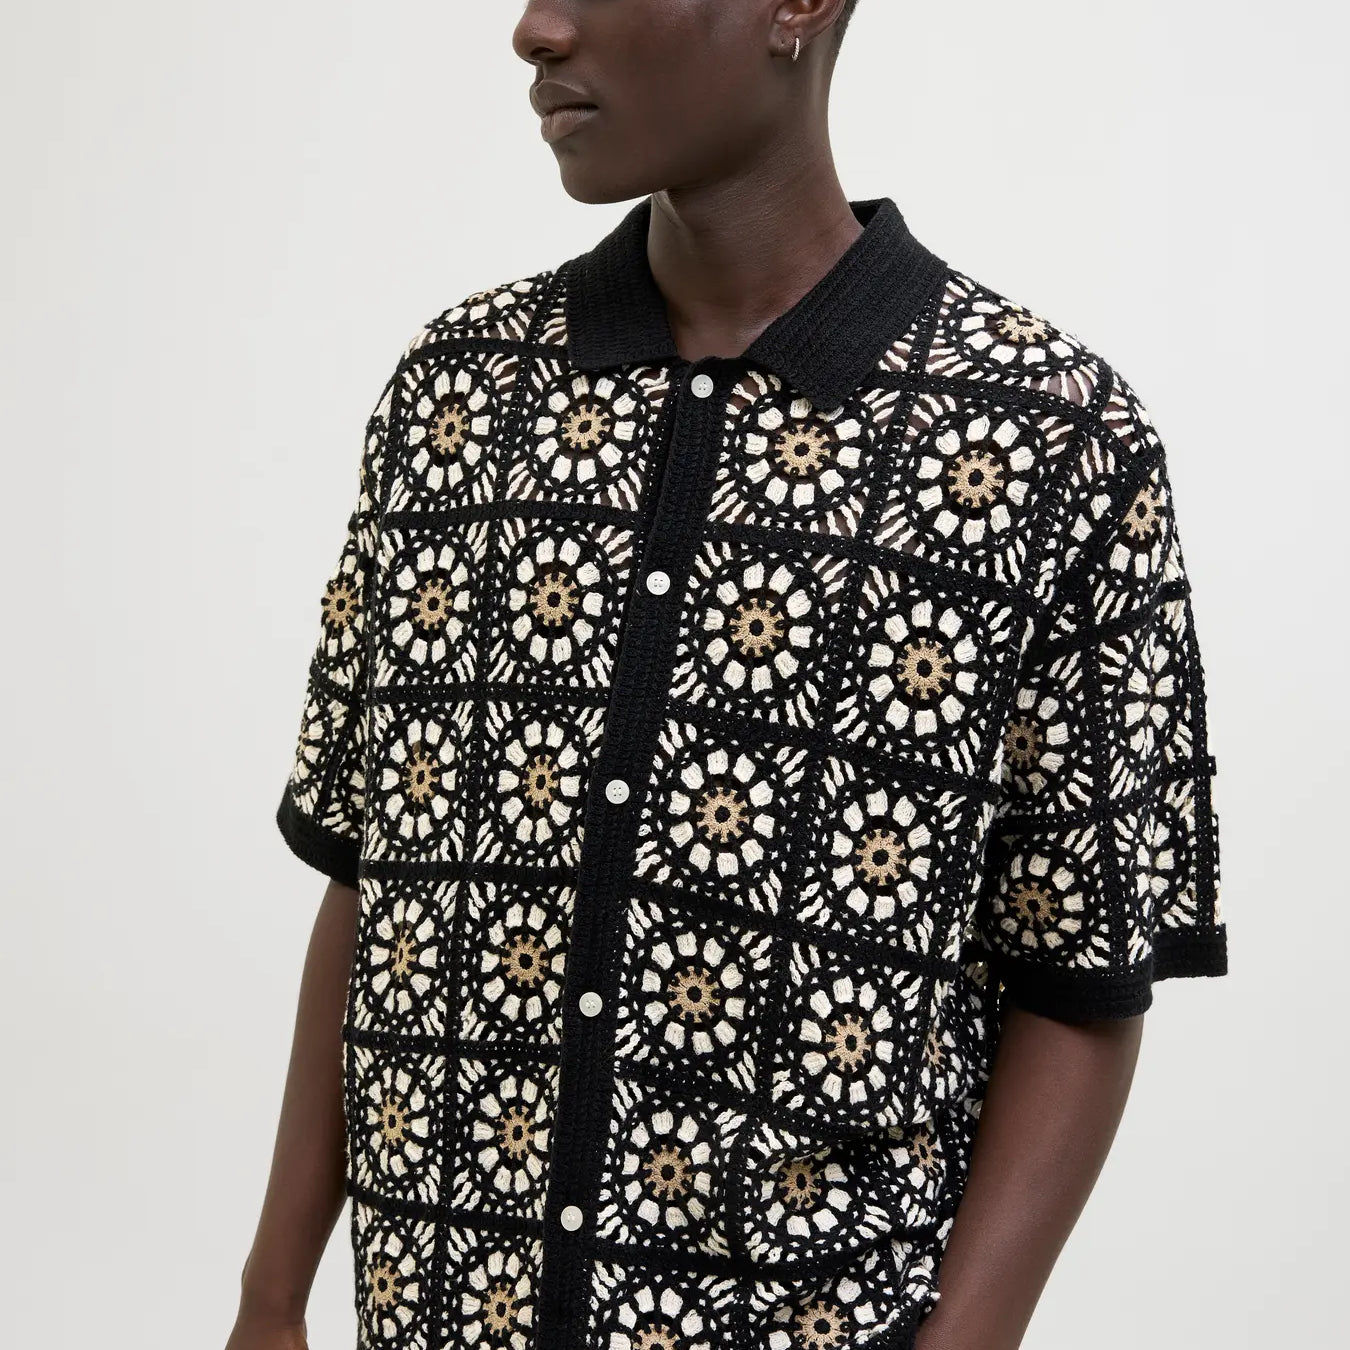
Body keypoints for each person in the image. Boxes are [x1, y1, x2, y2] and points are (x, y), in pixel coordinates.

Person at [226, 3, 1228, 1349]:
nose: (535, 28)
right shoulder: (455, 400)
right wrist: (269, 1298)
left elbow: (1081, 970)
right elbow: (370, 875)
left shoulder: (1049, 445)